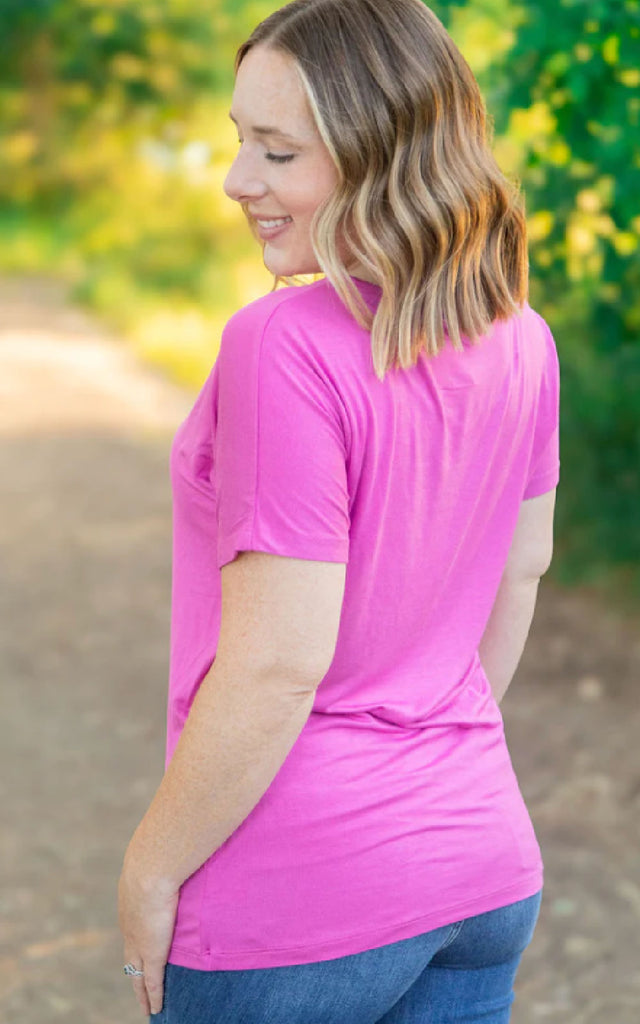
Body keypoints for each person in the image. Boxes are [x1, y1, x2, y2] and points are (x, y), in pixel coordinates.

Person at [117, 1, 560, 1021]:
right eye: (240, 143)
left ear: (380, 157)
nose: (237, 181)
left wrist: (150, 869)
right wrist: (422, 747)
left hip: (298, 898)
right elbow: (518, 571)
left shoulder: (284, 345)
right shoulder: (521, 336)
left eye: (277, 153)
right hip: (478, 860)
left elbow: (277, 663)